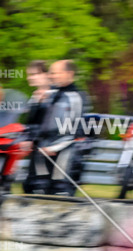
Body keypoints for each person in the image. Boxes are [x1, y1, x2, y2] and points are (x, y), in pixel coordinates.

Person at [39, 60, 89, 195]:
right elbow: (44, 124)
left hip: (64, 151)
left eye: (56, 73)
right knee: (43, 189)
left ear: (69, 74)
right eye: (51, 73)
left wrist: (54, 147)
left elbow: (74, 128)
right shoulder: (52, 94)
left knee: (60, 190)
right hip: (47, 150)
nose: (52, 76)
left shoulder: (76, 97)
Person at [20, 60, 53, 192]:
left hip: (49, 147)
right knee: (29, 185)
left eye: (34, 74)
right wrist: (26, 138)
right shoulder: (34, 96)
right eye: (29, 75)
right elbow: (31, 122)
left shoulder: (55, 95)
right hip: (36, 146)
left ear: (46, 74)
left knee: (42, 184)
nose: (30, 78)